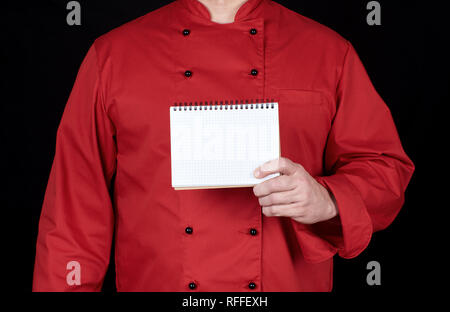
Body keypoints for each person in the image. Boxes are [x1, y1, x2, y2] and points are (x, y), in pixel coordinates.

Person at [33, 0, 415, 291]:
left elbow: (384, 168)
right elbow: (73, 215)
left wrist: (327, 198)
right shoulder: (113, 55)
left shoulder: (328, 52)